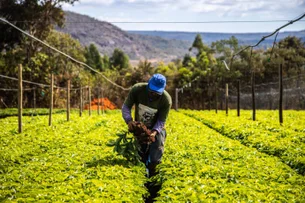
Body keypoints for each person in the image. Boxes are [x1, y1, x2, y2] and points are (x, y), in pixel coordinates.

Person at [121, 73, 172, 177]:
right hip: (140, 127)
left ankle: (153, 175)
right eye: (151, 91)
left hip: (156, 129)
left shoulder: (166, 100)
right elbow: (126, 107)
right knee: (140, 154)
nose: (153, 94)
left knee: (156, 154)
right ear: (148, 85)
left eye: (156, 93)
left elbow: (161, 121)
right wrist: (129, 121)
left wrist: (154, 132)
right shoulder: (137, 89)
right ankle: (141, 175)